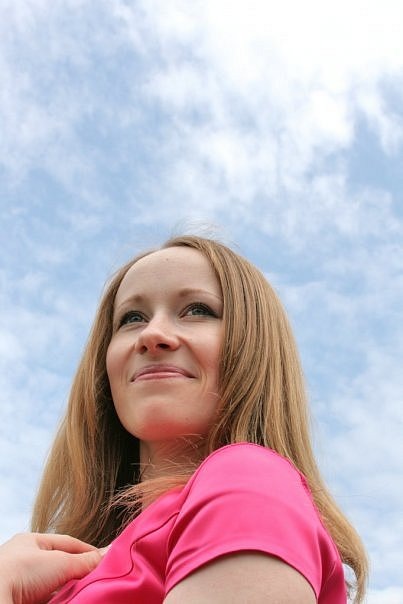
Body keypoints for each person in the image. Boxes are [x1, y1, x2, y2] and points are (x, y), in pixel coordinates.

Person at [0, 235, 368, 603]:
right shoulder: (54, 577)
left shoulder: (247, 478)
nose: (152, 334)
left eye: (197, 310)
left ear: (254, 347)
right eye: (132, 318)